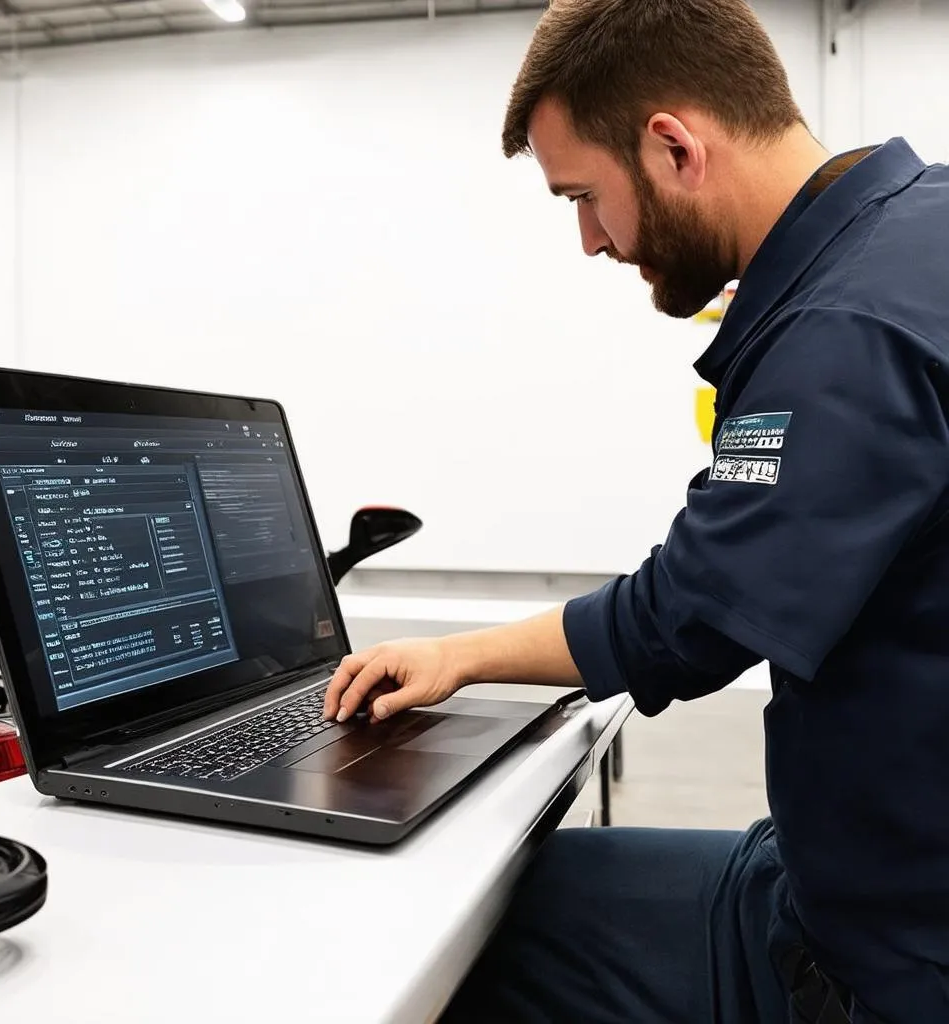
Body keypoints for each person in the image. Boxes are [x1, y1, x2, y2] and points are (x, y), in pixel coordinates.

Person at [323, 1, 949, 1020]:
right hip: (826, 869)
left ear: (672, 146)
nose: (587, 241)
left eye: (584, 196)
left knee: (444, 958)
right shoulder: (916, 231)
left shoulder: (846, 332)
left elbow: (688, 622)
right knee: (516, 894)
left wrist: (460, 656)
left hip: (880, 962)